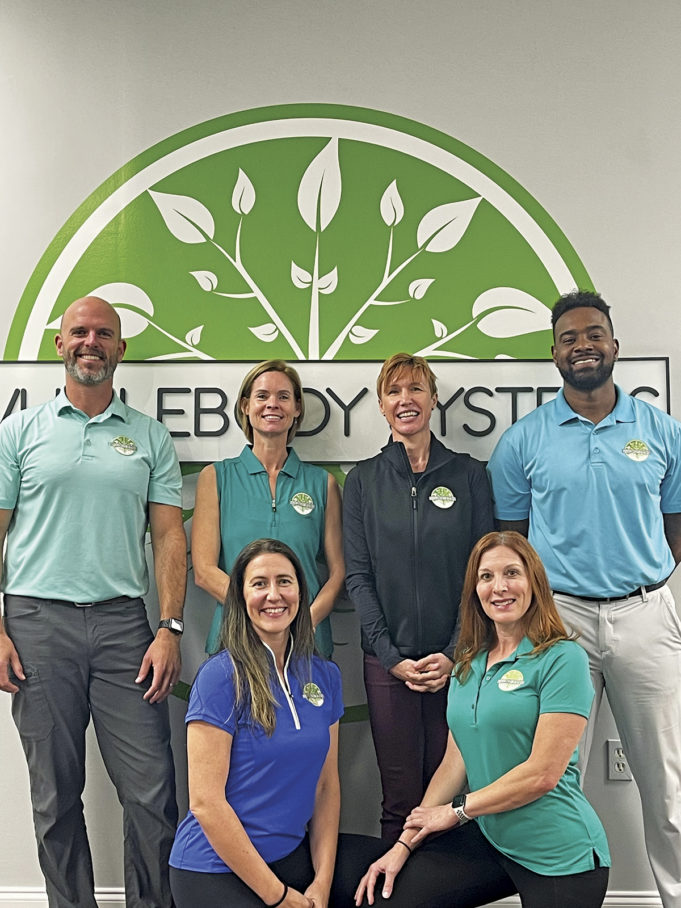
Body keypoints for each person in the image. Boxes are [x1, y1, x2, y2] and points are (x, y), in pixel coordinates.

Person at [487, 289, 681, 908]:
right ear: (554, 354)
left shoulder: (660, 431)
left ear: (615, 346)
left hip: (646, 615)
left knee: (668, 789)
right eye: (569, 338)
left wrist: (658, 594)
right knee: (549, 777)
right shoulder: (523, 440)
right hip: (559, 622)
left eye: (593, 334)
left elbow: (677, 525)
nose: (583, 346)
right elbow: (512, 543)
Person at [0, 296, 186, 908]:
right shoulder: (19, 432)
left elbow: (168, 537)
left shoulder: (150, 437)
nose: (90, 342)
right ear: (59, 344)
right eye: (79, 332)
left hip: (124, 627)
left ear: (120, 349)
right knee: (55, 794)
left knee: (152, 790)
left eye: (103, 333)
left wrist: (169, 627)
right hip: (34, 624)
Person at [353, 531, 610, 908]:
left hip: (558, 853)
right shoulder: (468, 664)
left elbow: (543, 774)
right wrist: (404, 844)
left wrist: (456, 812)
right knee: (392, 897)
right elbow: (454, 763)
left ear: (534, 583)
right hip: (492, 839)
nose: (499, 587)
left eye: (512, 573)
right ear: (474, 590)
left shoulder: (562, 659)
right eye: (486, 577)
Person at [343, 353, 494, 841]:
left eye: (415, 389)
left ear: (433, 400)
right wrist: (390, 657)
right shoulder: (362, 480)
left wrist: (455, 652)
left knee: (453, 803)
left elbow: (482, 576)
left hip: (462, 662)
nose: (405, 399)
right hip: (388, 665)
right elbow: (358, 577)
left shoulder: (470, 475)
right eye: (393, 392)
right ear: (382, 408)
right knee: (400, 800)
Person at [169, 538, 343, 908]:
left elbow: (326, 786)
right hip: (215, 869)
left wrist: (322, 882)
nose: (273, 595)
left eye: (284, 581)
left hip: (290, 859)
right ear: (241, 597)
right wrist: (279, 898)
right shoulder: (220, 677)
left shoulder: (325, 675)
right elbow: (206, 803)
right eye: (259, 583)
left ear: (300, 590)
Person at [192, 359, 344, 659]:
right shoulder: (216, 477)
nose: (272, 404)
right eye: (262, 396)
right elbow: (205, 572)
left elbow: (339, 573)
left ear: (297, 408)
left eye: (283, 396)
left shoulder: (321, 483)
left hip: (306, 645)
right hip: (235, 641)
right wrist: (259, 615)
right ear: (246, 406)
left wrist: (301, 622)